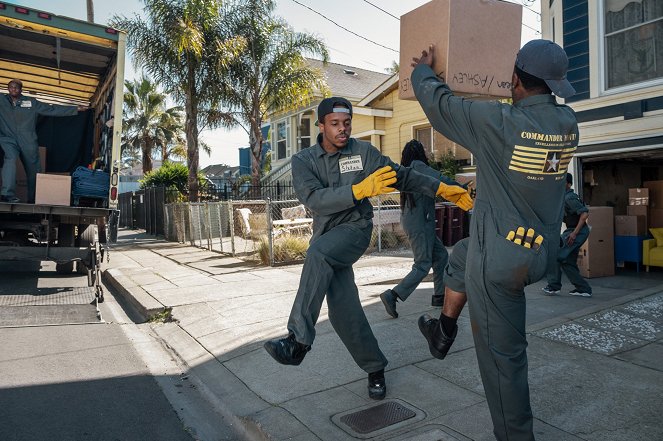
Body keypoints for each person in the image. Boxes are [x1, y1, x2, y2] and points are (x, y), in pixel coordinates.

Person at [411, 39, 579, 440]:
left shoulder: (497, 123)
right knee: (461, 255)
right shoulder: (567, 123)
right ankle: (443, 330)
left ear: (515, 79)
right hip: (540, 252)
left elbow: (440, 108)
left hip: (501, 261)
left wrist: (422, 70)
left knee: (504, 362)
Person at [263, 97, 472, 401]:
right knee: (343, 313)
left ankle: (298, 341)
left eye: (347, 123)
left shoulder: (362, 152)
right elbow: (314, 200)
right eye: (335, 124)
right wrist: (359, 189)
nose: (343, 130)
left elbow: (404, 176)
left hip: (356, 230)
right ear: (321, 126)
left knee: (318, 255)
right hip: (326, 235)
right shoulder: (303, 161)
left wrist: (443, 188)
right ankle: (375, 368)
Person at [380, 139, 464, 318]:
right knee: (422, 265)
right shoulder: (418, 166)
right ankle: (393, 295)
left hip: (415, 220)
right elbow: (439, 179)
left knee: (441, 257)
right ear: (418, 152)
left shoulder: (407, 170)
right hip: (420, 222)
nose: (427, 151)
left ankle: (439, 296)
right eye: (423, 148)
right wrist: (460, 188)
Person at [0, 79, 86, 203]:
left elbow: (51, 109)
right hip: (8, 138)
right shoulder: (1, 100)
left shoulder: (31, 102)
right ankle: (7, 194)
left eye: (16, 87)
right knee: (10, 159)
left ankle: (34, 198)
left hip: (28, 140)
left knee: (34, 169)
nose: (13, 89)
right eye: (11, 87)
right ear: (8, 88)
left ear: (21, 89)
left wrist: (74, 109)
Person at [543, 172, 591, 297]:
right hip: (571, 230)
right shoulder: (562, 197)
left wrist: (574, 233)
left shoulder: (569, 198)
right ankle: (583, 289)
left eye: (562, 181)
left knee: (555, 255)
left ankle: (554, 287)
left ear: (568, 184)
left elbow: (585, 214)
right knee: (568, 262)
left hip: (577, 231)